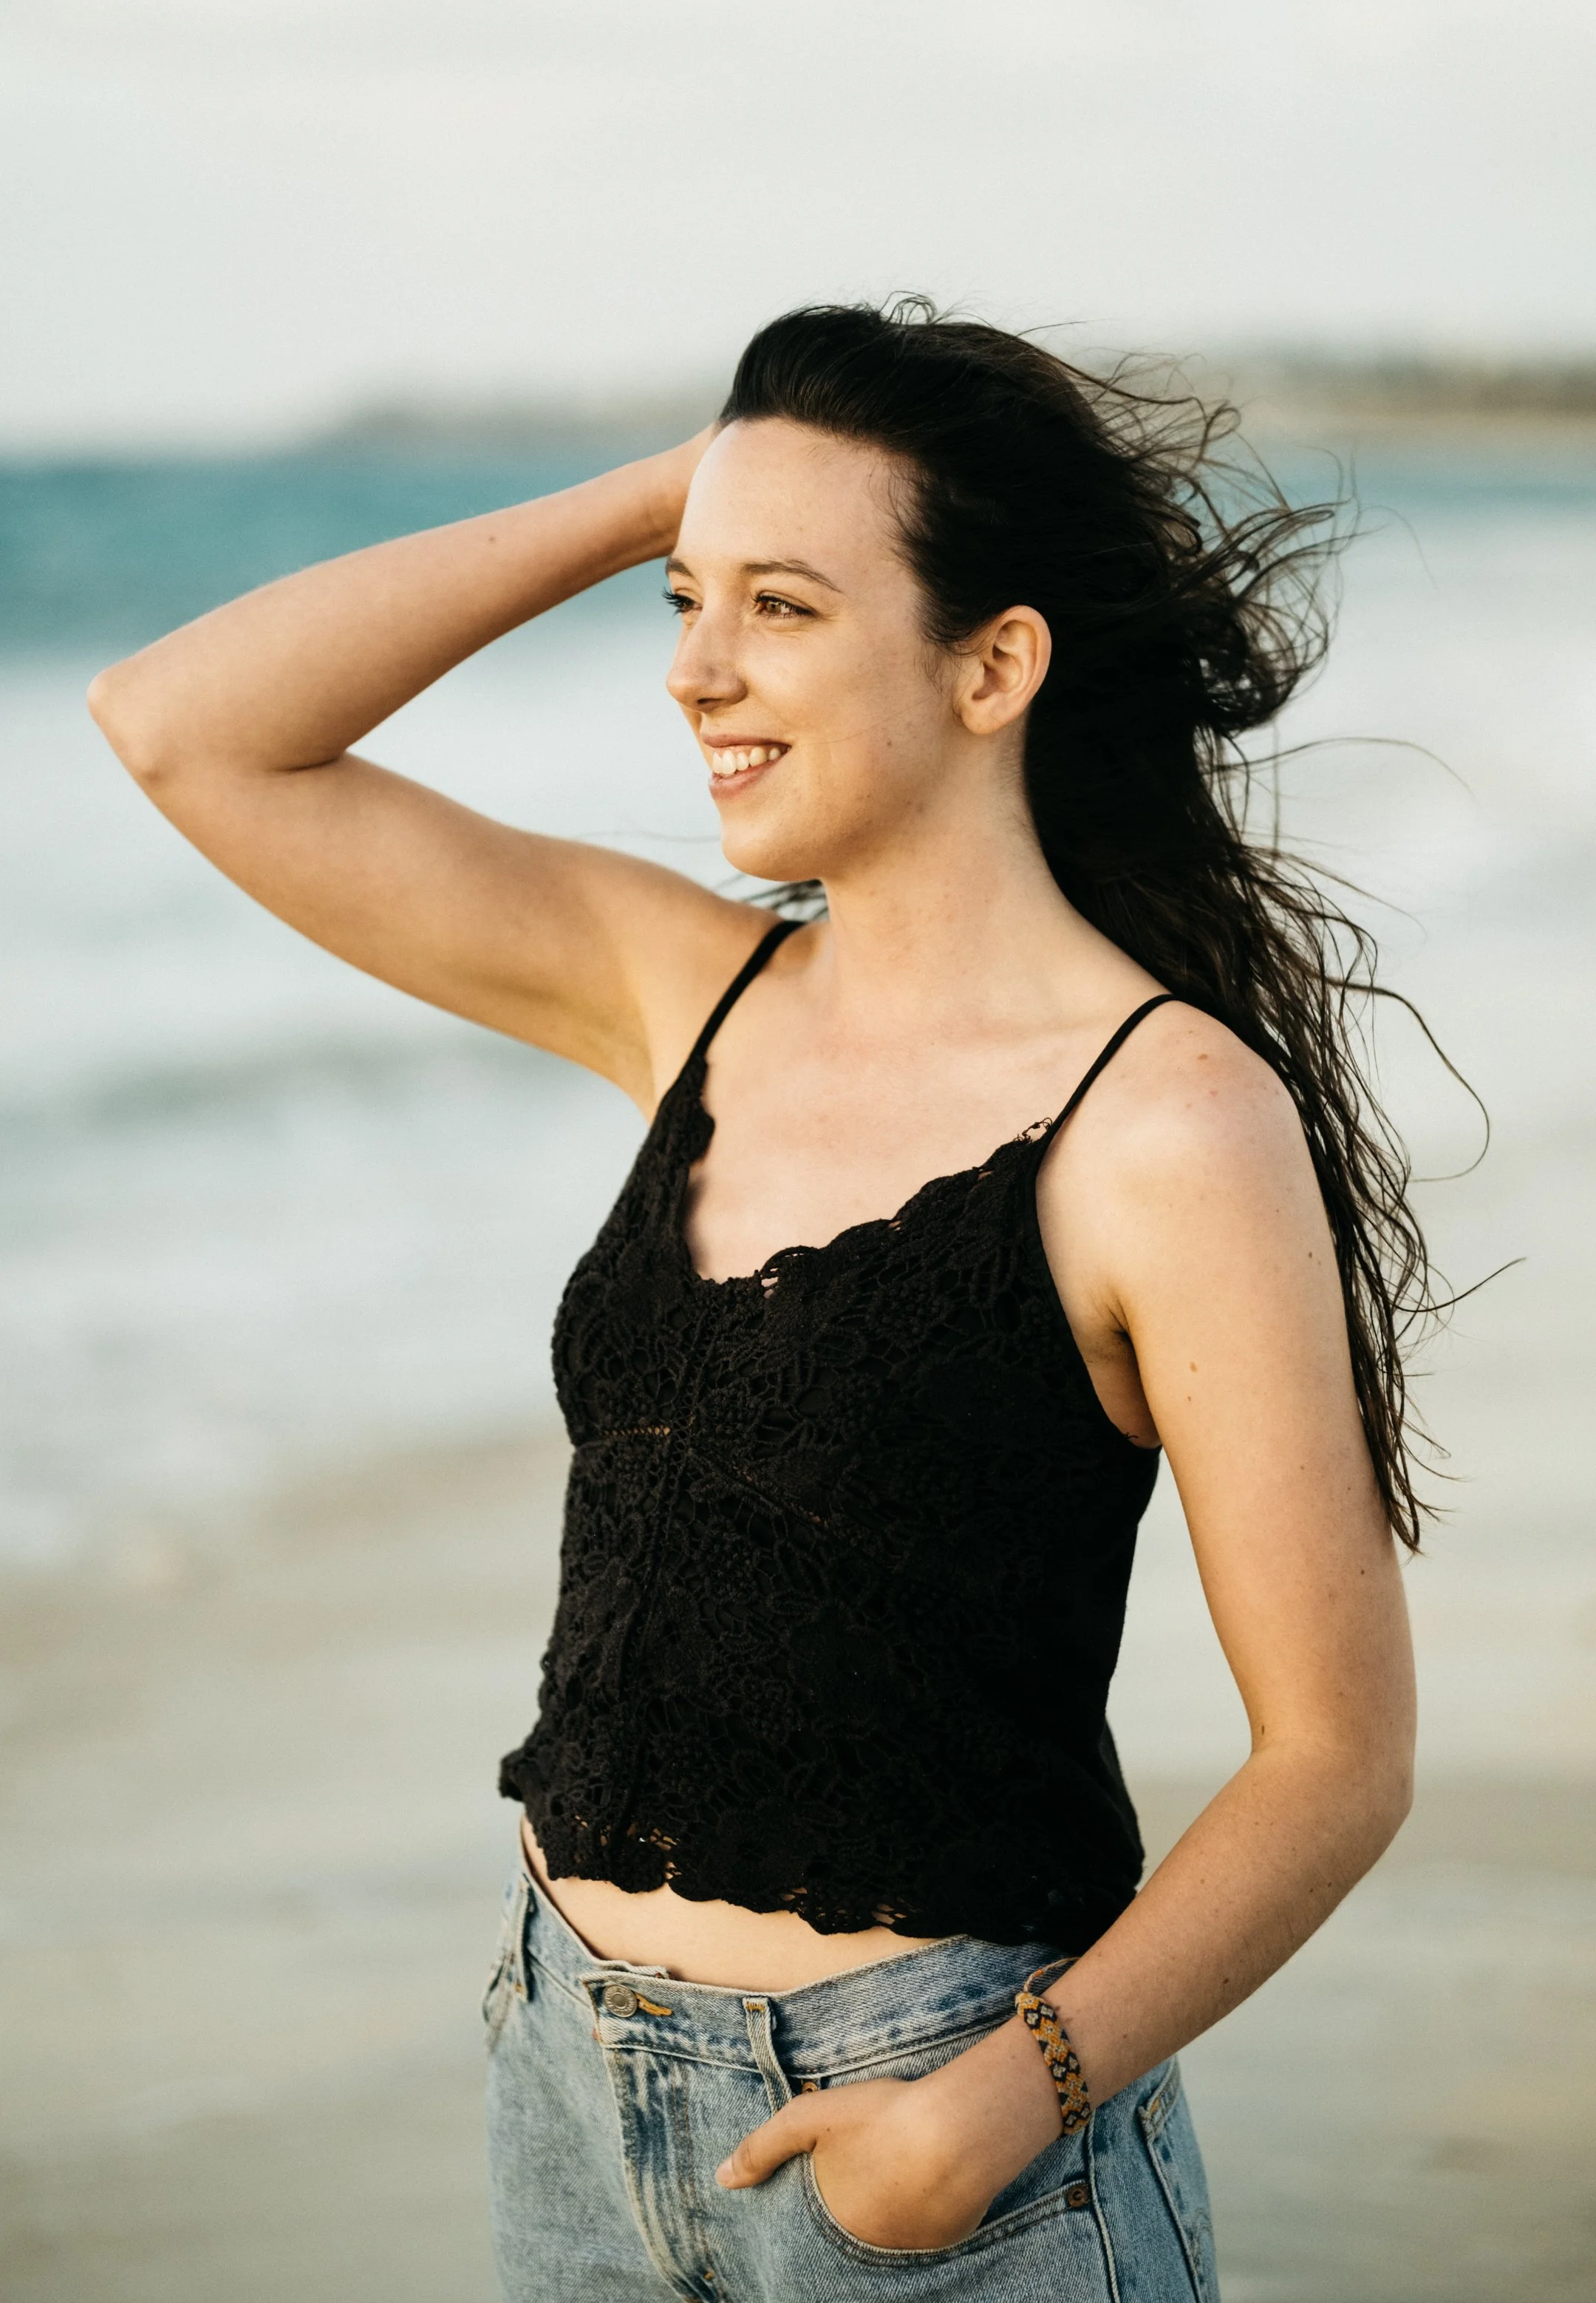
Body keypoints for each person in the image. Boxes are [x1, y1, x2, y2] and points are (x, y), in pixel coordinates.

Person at [89, 301, 1423, 2302]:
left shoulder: (1169, 1127)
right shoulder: (684, 993)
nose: (699, 672)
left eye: (782, 608)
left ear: (995, 663)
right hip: (564, 2074)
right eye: (681, 602)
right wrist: (690, 485)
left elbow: (1336, 1753)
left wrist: (1002, 2104)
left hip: (933, 2133)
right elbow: (187, 725)